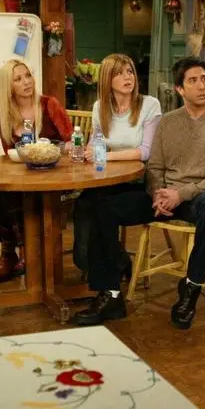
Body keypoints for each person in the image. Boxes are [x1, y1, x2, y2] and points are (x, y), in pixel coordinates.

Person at [71, 56, 205, 329]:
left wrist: (180, 194)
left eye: (204, 79)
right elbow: (154, 166)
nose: (202, 86)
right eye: (193, 81)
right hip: (164, 197)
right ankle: (111, 294)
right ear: (180, 89)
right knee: (100, 205)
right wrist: (156, 194)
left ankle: (191, 287)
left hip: (198, 198)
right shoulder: (170, 122)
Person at [72, 53, 161, 273]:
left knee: (99, 205)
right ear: (107, 79)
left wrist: (105, 156)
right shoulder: (100, 107)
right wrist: (88, 150)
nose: (127, 77)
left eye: (130, 71)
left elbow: (145, 152)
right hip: (110, 178)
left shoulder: (149, 105)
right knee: (83, 204)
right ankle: (96, 261)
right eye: (119, 73)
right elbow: (95, 143)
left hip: (141, 180)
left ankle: (109, 266)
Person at [0, 59, 72, 283]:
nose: (26, 82)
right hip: (26, 177)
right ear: (9, 86)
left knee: (8, 200)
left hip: (57, 177)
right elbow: (10, 154)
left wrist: (51, 149)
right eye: (18, 79)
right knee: (4, 198)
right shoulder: (5, 116)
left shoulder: (49, 105)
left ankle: (19, 254)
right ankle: (16, 254)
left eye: (28, 76)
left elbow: (72, 142)